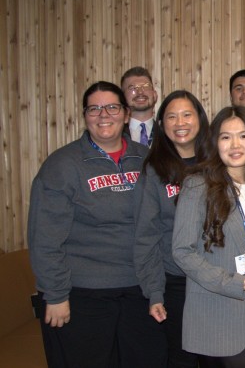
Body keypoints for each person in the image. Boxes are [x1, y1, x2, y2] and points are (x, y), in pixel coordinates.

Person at [28, 81, 166, 367]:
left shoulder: (146, 160)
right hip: (84, 294)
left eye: (112, 107)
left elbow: (158, 224)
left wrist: (156, 288)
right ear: (85, 115)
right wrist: (54, 294)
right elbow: (45, 236)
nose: (104, 115)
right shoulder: (63, 165)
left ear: (126, 114)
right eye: (94, 108)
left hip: (139, 291)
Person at [171, 106, 245, 367]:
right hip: (215, 317)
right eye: (226, 137)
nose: (235, 144)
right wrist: (231, 282)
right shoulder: (197, 185)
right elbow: (182, 251)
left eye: (243, 136)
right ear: (215, 143)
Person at [134, 90, 212, 367]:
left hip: (217, 281)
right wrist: (155, 292)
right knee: (182, 359)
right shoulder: (155, 169)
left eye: (187, 114)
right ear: (162, 124)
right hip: (176, 284)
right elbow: (147, 235)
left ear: (200, 119)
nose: (180, 122)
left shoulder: (219, 164)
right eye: (171, 116)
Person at [121, 66, 159, 146]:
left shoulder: (167, 134)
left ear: (154, 95)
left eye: (146, 86)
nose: (140, 92)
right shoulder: (114, 135)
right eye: (132, 88)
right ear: (122, 97)